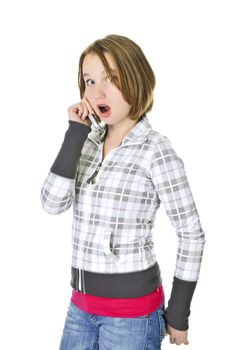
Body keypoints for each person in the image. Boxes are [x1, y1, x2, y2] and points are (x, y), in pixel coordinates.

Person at [40, 34, 205, 349]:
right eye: (89, 81)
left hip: (131, 317)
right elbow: (52, 202)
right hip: (80, 309)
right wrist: (76, 133)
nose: (97, 91)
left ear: (136, 80)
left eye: (111, 79)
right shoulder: (86, 143)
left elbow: (191, 234)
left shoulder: (156, 149)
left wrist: (179, 313)